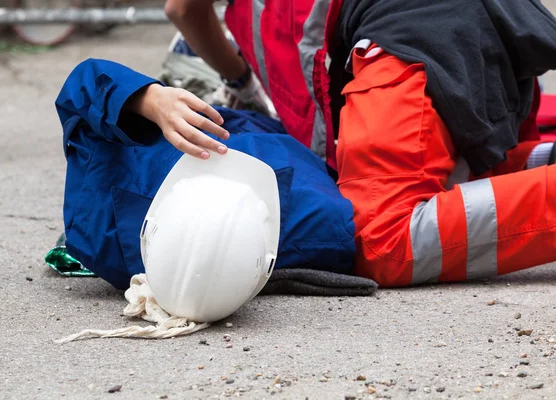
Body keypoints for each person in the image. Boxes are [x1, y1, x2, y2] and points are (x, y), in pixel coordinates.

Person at [162, 0, 556, 286]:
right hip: (492, 28)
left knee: (383, 239)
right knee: (452, 181)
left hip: (406, 36)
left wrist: (242, 83)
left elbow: (183, 10)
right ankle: (544, 161)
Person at [56, 58, 360, 290]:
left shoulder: (102, 233)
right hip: (296, 145)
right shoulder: (324, 222)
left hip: (249, 131)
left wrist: (151, 100)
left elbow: (85, 83)